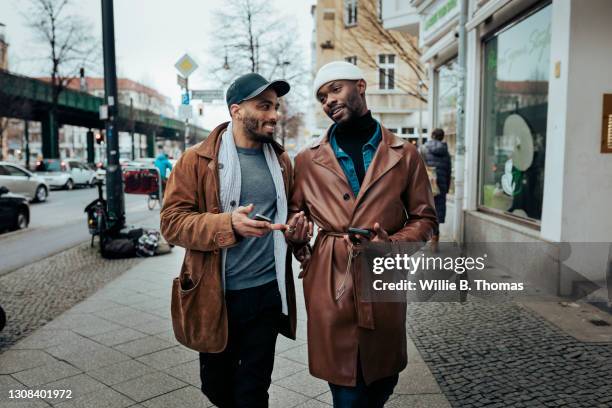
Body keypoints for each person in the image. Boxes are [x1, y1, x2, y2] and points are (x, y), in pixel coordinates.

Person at [287, 61, 438, 407]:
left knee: (382, 381)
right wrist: (298, 235)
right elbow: (296, 213)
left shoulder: (405, 154)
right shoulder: (307, 161)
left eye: (335, 90)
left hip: (382, 278)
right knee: (346, 387)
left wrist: (391, 245)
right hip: (331, 278)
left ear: (361, 86)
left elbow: (424, 218)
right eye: (322, 97)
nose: (328, 101)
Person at [160, 73, 310, 407]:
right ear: (236, 110)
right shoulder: (195, 160)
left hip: (267, 295)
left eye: (275, 106)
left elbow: (290, 216)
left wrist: (299, 234)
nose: (273, 115)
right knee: (217, 388)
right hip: (216, 296)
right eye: (263, 106)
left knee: (253, 392)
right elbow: (171, 224)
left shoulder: (282, 162)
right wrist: (229, 224)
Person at [421, 128, 452, 250]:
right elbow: (448, 172)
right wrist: (447, 186)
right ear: (442, 137)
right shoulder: (446, 153)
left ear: (432, 135)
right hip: (440, 185)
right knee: (437, 212)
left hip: (426, 185)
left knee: (425, 211)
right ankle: (435, 240)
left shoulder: (423, 149)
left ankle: (426, 236)